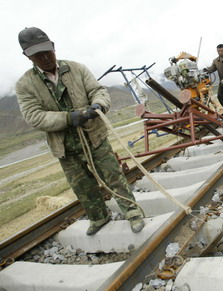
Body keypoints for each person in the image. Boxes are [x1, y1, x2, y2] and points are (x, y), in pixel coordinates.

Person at [15, 27, 145, 235]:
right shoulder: (25, 85)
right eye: (38, 55)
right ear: (27, 57)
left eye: (47, 51)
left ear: (53, 47)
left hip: (94, 135)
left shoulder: (77, 69)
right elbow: (33, 115)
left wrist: (99, 105)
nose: (45, 57)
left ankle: (132, 212)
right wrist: (68, 118)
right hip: (64, 146)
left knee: (113, 176)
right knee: (83, 186)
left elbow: (97, 91)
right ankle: (99, 217)